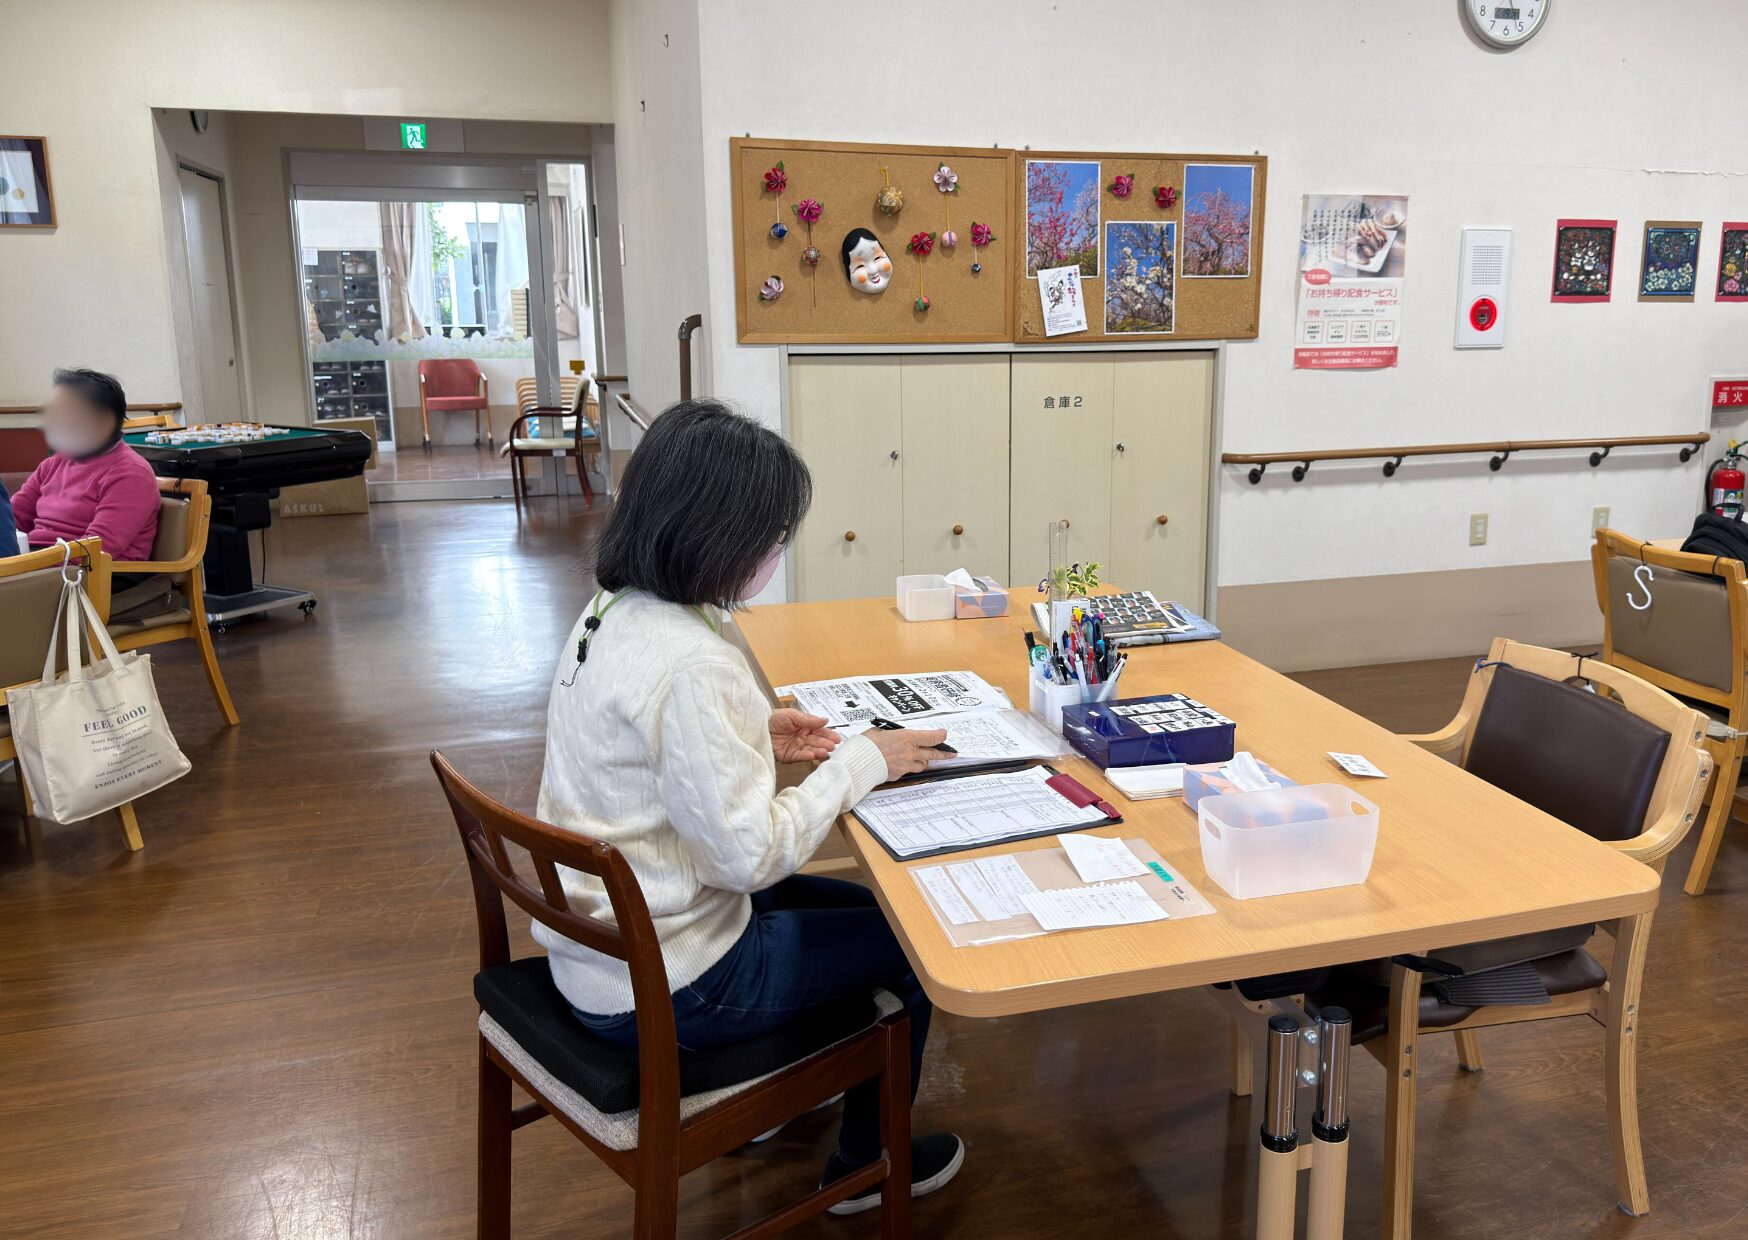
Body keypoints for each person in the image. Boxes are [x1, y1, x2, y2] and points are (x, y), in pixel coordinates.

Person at [537, 399, 964, 1213]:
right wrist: (862, 764)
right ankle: (868, 1164)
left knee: (886, 915)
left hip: (608, 941)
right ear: (719, 538)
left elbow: (641, 755)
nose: (775, 554)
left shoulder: (613, 610)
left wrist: (751, 736)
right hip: (669, 984)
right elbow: (748, 859)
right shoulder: (694, 660)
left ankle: (780, 1096)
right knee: (916, 952)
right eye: (771, 540)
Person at [11, 369, 160, 583]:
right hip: (45, 562)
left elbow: (97, 548)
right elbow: (14, 516)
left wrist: (26, 564)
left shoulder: (131, 472)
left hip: (96, 573)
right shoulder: (55, 463)